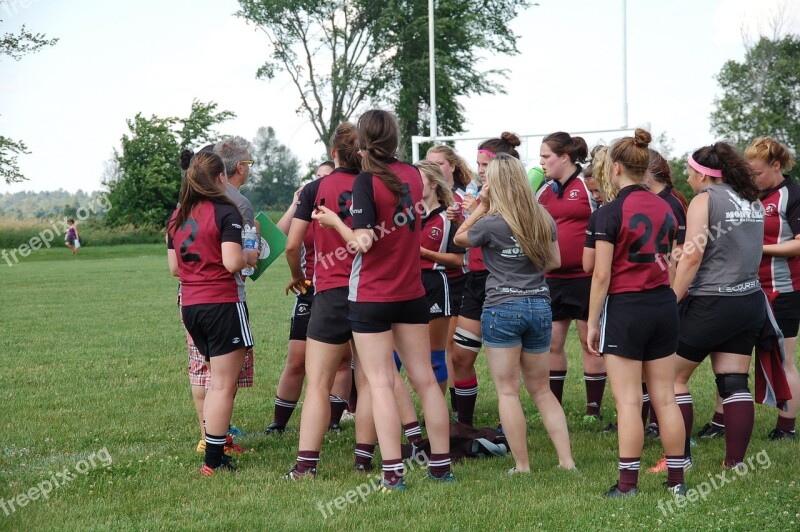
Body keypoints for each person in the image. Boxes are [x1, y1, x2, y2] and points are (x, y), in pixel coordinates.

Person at [311, 109, 453, 490]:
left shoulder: (366, 181)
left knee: (381, 382)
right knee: (424, 379)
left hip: (373, 295)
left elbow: (364, 242)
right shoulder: (410, 173)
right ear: (395, 138)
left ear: (361, 141)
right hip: (412, 293)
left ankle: (393, 472)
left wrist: (334, 223)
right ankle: (440, 465)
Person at [454, 153, 575, 474]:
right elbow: (553, 262)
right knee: (542, 390)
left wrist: (481, 205)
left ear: (493, 185)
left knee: (508, 390)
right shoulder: (543, 218)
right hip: (538, 305)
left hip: (502, 307)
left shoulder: (492, 223)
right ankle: (567, 461)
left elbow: (459, 237)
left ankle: (522, 466)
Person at [585, 129, 686, 498]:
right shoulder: (670, 205)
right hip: (663, 304)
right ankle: (677, 483)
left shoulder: (609, 212)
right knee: (664, 397)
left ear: (614, 169)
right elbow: (673, 266)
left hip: (627, 308)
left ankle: (628, 485)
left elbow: (601, 274)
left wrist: (593, 322)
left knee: (629, 400)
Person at [283, 123, 373, 479]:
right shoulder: (376, 184)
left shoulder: (315, 188)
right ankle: (364, 461)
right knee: (368, 381)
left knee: (318, 381)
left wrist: (297, 276)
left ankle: (306, 466)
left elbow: (292, 244)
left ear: (333, 153)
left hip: (331, 292)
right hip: (370, 292)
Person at [671, 142, 766, 469]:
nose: (688, 178)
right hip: (749, 300)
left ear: (701, 174)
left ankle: (679, 459)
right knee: (734, 381)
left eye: (689, 172)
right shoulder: (752, 200)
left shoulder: (705, 200)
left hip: (712, 301)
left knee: (672, 378)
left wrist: (672, 299)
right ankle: (734, 463)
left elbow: (693, 254)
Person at [167, 151, 252, 475]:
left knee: (213, 379)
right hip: (221, 303)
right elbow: (232, 262)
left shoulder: (177, 215)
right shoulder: (224, 211)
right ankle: (214, 460)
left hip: (190, 305)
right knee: (222, 385)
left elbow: (174, 268)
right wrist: (249, 254)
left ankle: (214, 451)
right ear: (220, 178)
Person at [268, 158, 352, 434]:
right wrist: (295, 203)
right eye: (317, 177)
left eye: (326, 176)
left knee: (342, 360)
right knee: (297, 359)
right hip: (310, 289)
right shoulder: (308, 204)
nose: (321, 182)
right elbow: (277, 239)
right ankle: (278, 423)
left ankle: (333, 420)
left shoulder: (346, 210)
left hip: (343, 287)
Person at [449, 133, 522, 426]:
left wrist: (477, 211)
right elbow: (468, 238)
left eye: (484, 164)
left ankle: (508, 426)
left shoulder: (517, 199)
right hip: (476, 280)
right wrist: (462, 217)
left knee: (505, 365)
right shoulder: (480, 194)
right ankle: (464, 424)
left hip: (504, 282)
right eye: (478, 163)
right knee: (460, 357)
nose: (479, 169)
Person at [537, 132, 607, 422]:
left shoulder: (587, 185)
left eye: (546, 157)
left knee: (588, 341)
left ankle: (593, 409)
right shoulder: (543, 190)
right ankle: (555, 407)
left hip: (585, 277)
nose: (541, 163)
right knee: (552, 342)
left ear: (564, 157)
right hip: (552, 278)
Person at [746, 137, 799, 440]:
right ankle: (720, 421)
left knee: (783, 359)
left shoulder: (793, 195)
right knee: (733, 356)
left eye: (757, 173)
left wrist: (759, 248)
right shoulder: (750, 195)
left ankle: (786, 428)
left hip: (783, 290)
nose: (752, 179)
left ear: (776, 166)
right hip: (746, 290)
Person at [639, 148, 688, 440]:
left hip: (664, 292)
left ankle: (658, 423)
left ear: (646, 172)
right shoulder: (651, 200)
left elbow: (680, 252)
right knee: (645, 365)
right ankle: (647, 422)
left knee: (658, 367)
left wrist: (671, 290)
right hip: (648, 292)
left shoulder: (671, 202)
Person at [425, 145, 475, 413]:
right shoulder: (421, 202)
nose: (435, 168)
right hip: (433, 279)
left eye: (440, 163)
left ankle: (457, 405)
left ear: (453, 166)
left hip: (458, 279)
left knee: (452, 347)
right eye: (430, 163)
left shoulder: (463, 197)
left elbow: (466, 240)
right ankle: (444, 405)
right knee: (442, 348)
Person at [415, 160, 466, 393]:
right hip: (406, 286)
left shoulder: (448, 217)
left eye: (419, 180)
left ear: (434, 184)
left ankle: (435, 413)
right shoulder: (404, 216)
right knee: (395, 357)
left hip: (435, 283)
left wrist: (425, 254)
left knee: (434, 356)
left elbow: (458, 261)